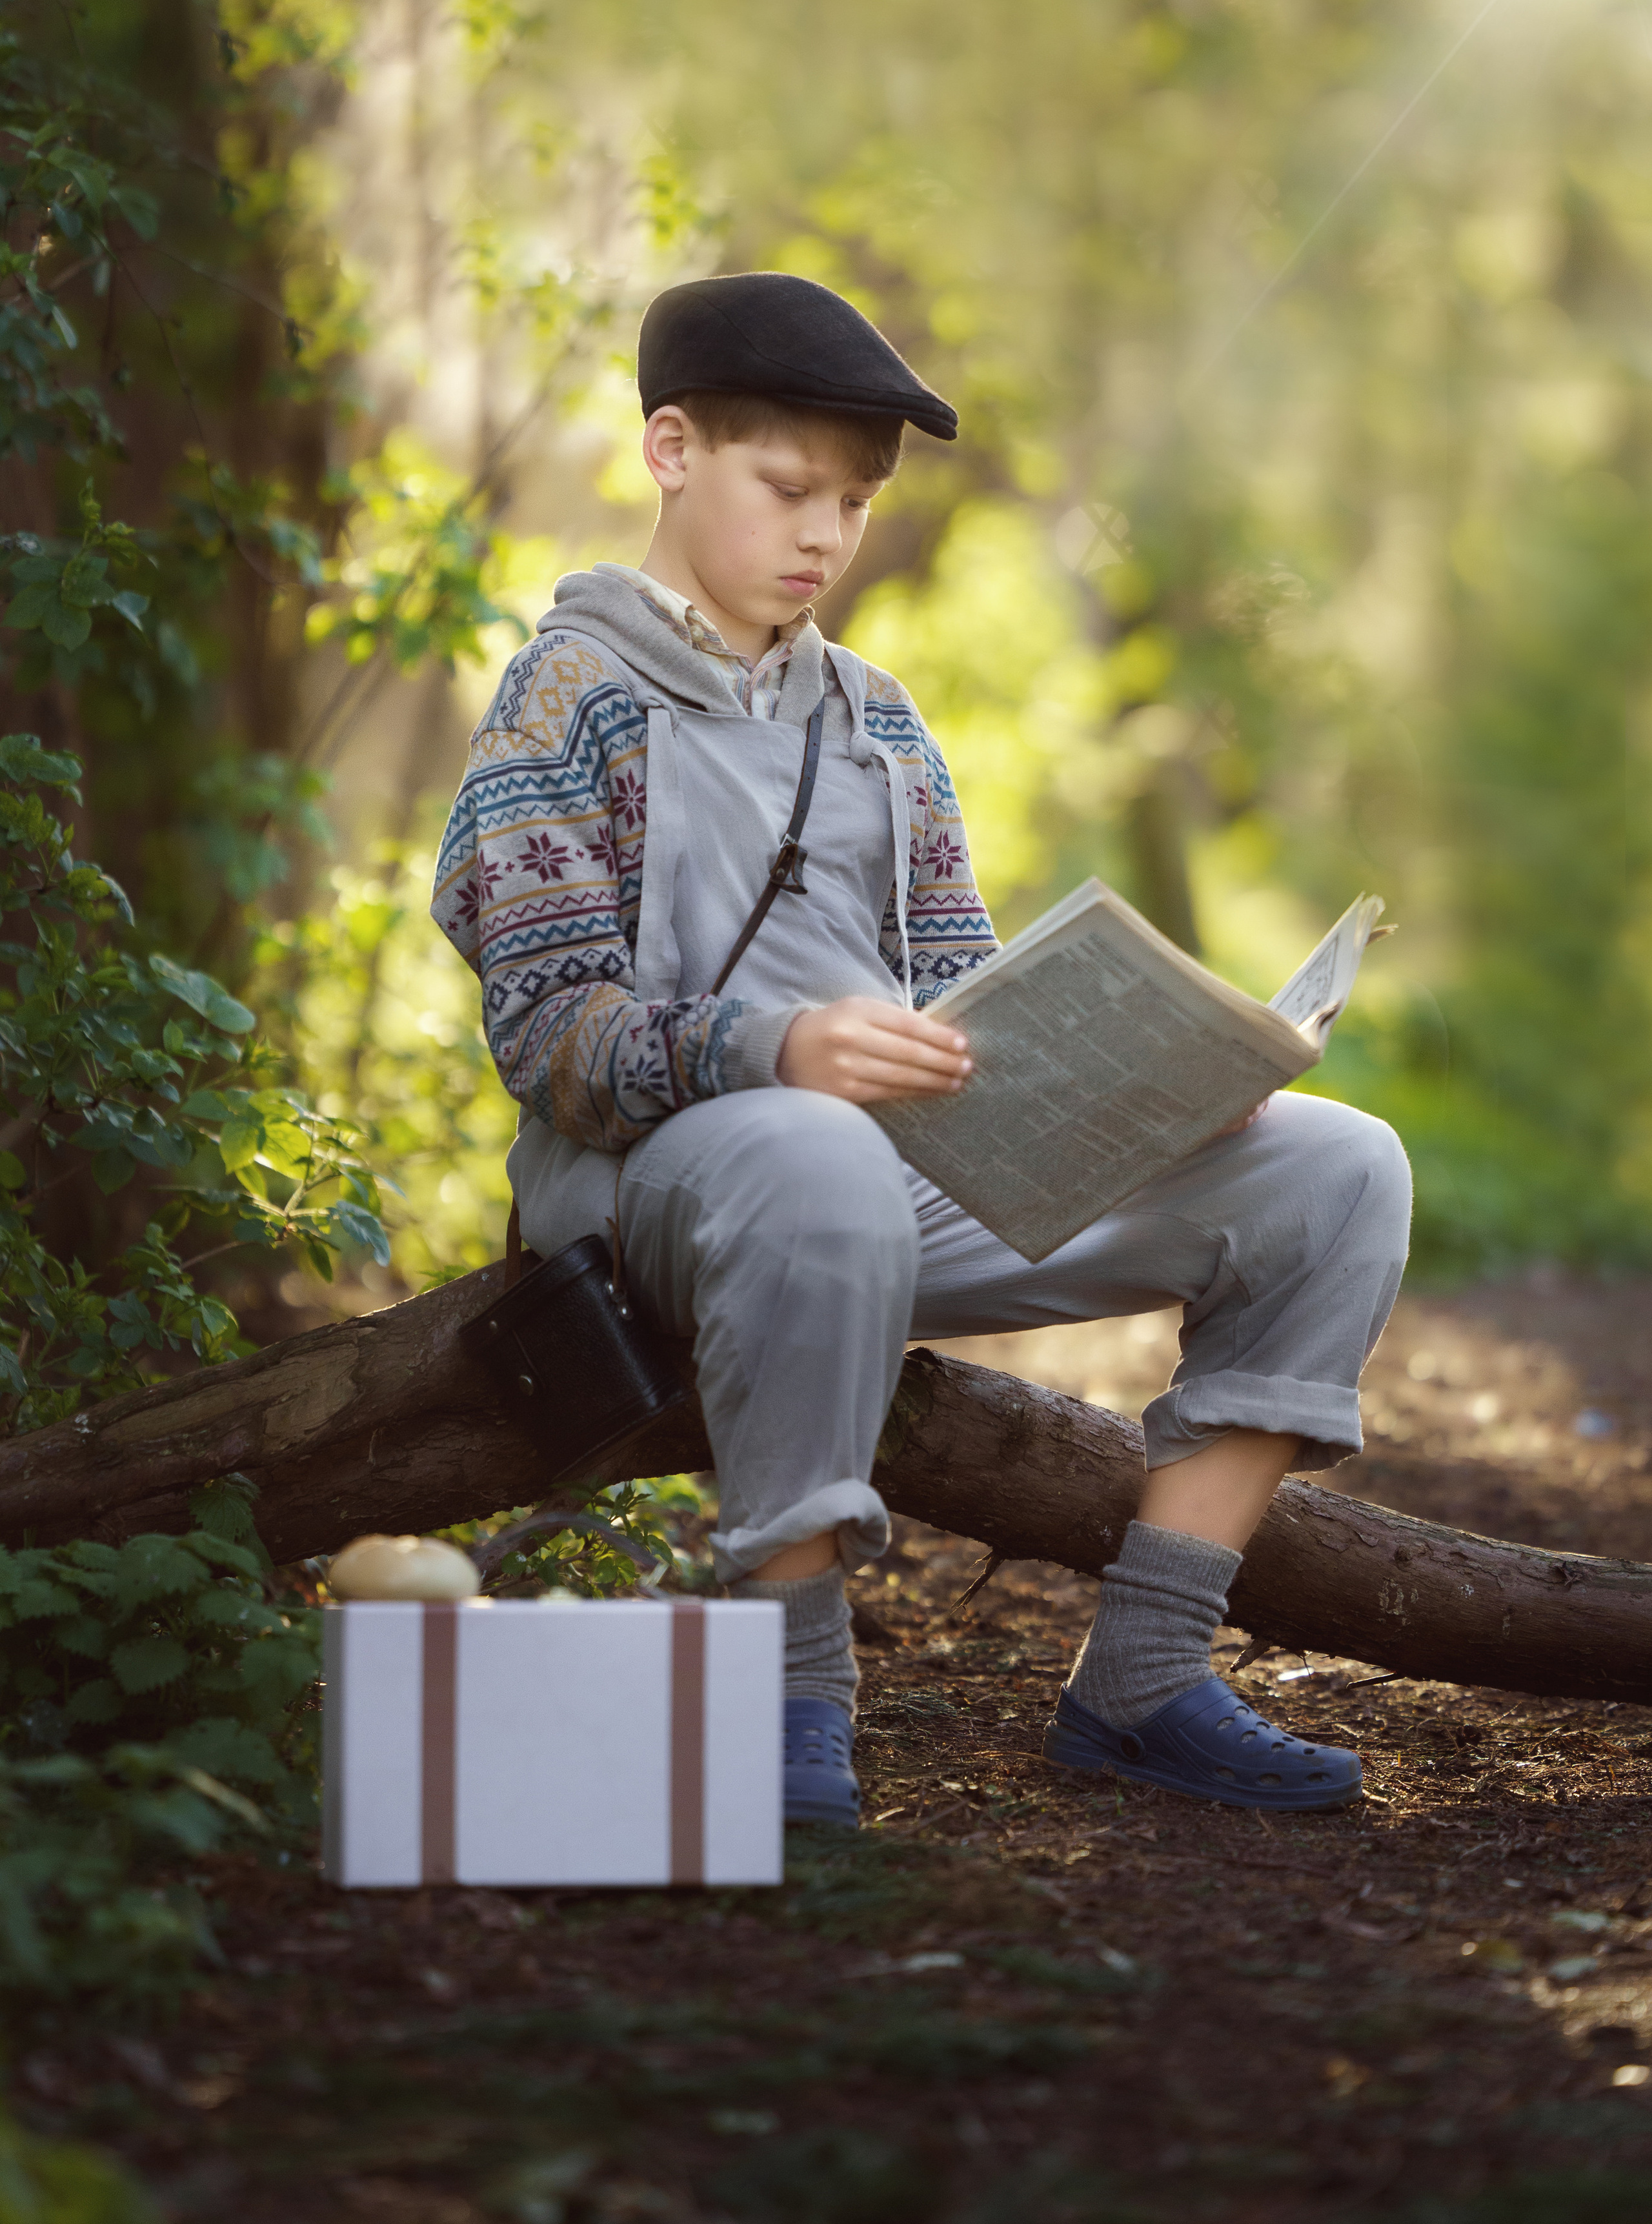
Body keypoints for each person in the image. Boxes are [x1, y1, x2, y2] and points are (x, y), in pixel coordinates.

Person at [433, 271, 1412, 1829]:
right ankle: (787, 1705)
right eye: (788, 489)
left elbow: (963, 999)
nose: (825, 534)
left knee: (1338, 1170)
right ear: (671, 450)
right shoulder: (568, 697)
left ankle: (1146, 1681)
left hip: (895, 1184)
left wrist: (1162, 1083)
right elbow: (550, 1037)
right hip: (652, 1197)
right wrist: (783, 1049)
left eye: (856, 502)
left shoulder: (879, 724)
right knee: (815, 1153)